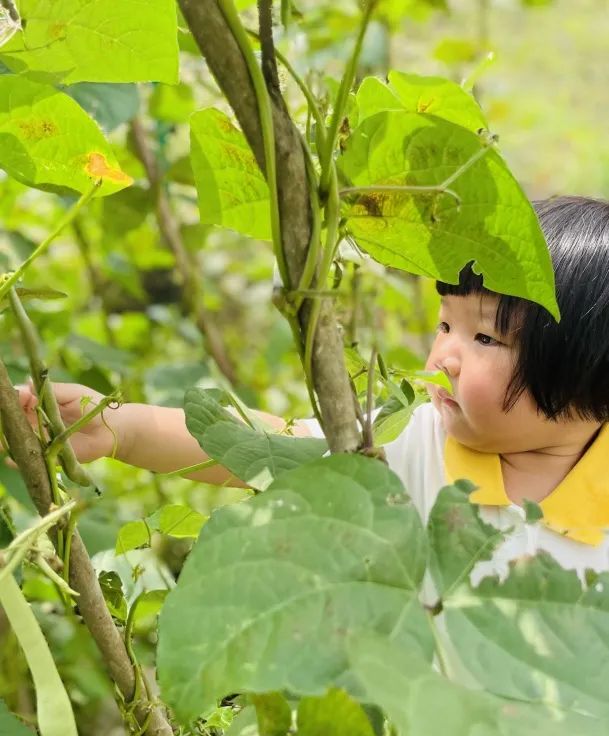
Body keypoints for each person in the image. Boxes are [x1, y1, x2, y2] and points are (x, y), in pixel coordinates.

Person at [12, 196, 609, 581]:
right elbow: (278, 449)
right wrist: (122, 427)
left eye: (486, 339)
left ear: (590, 372)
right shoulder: (412, 444)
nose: (445, 355)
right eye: (446, 324)